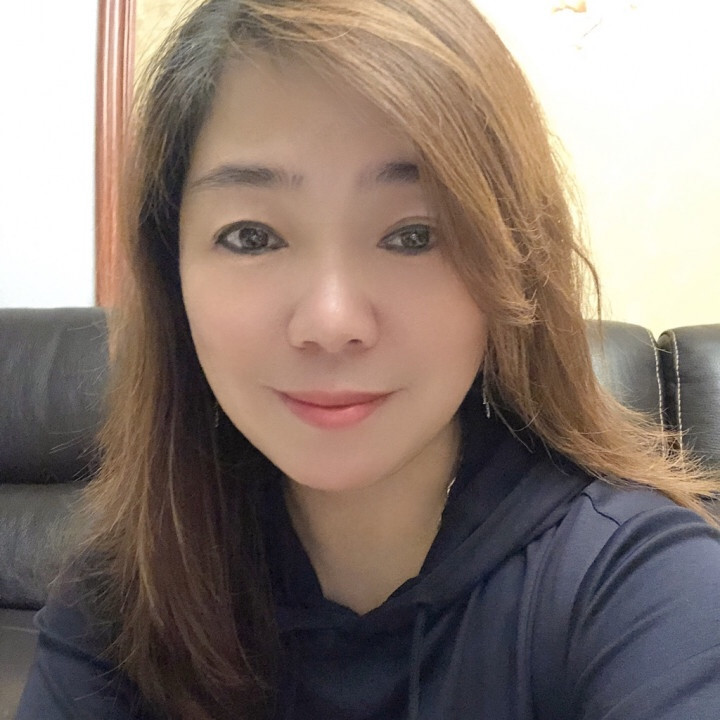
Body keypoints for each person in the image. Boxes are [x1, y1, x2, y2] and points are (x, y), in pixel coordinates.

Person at [16, 1, 720, 718]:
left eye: (414, 235)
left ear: (513, 263)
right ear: (173, 276)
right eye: (252, 236)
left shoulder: (639, 583)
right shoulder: (125, 593)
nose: (331, 323)